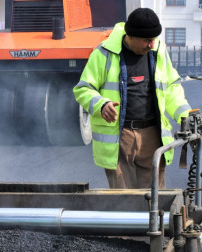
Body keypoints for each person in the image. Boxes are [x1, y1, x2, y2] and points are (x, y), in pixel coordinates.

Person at [73, 8, 193, 189]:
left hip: (152, 135)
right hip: (120, 139)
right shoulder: (103, 54)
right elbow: (83, 89)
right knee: (124, 201)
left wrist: (186, 115)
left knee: (153, 200)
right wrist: (101, 104)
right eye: (147, 40)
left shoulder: (158, 51)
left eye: (153, 40)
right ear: (130, 36)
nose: (151, 45)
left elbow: (171, 88)